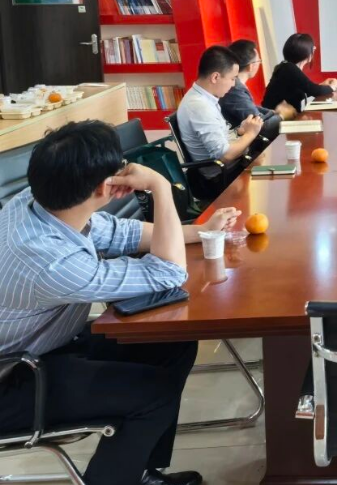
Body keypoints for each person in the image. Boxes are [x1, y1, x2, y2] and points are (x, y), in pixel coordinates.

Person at [0, 120, 240, 485]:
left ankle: (139, 471)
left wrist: (199, 232)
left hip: (44, 346)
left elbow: (121, 233)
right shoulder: (51, 262)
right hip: (12, 377)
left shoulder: (34, 201)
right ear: (104, 187)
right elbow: (167, 273)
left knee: (170, 340)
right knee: (153, 394)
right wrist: (160, 187)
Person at [177, 45, 263, 163]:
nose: (233, 84)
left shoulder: (205, 98)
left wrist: (239, 131)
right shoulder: (199, 106)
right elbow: (225, 155)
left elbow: (222, 137)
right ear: (215, 77)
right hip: (221, 171)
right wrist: (251, 133)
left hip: (230, 165)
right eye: (232, 78)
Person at [220, 39, 296, 127]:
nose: (259, 64)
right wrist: (283, 116)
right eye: (259, 61)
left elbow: (252, 108)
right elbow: (262, 127)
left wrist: (274, 113)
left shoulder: (236, 86)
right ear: (251, 66)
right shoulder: (235, 89)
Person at [261, 33, 337, 114]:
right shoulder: (289, 68)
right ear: (305, 52)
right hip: (276, 117)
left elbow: (304, 91)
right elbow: (313, 90)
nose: (313, 51)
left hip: (281, 115)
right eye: (312, 48)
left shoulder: (286, 67)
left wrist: (322, 85)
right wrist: (333, 87)